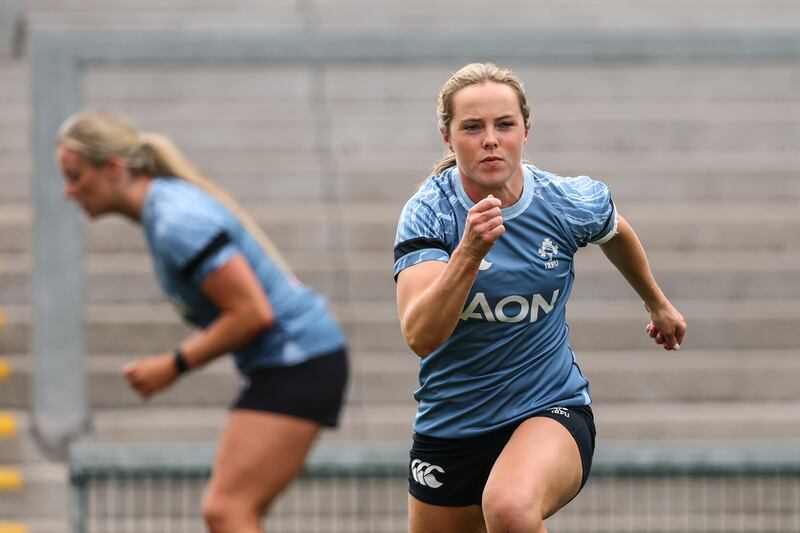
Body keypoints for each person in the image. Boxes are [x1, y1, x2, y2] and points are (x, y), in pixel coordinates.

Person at [393, 62, 686, 533]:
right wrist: (468, 253)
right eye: (472, 127)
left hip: (549, 407)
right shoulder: (429, 215)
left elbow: (614, 229)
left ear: (526, 130)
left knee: (509, 507)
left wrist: (656, 302)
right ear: (447, 137)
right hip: (452, 425)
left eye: (504, 124)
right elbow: (422, 335)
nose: (490, 139)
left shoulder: (564, 201)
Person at [56, 110, 349, 533]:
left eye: (75, 176)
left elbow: (252, 312)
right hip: (296, 360)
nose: (69, 191)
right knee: (229, 510)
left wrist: (173, 364)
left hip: (299, 359)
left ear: (114, 168)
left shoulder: (175, 220)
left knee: (227, 510)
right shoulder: (165, 209)